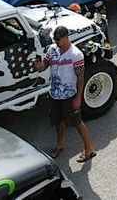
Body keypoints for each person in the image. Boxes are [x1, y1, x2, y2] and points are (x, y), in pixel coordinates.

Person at [35, 26, 97, 162]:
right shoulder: (52, 50)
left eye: (59, 39)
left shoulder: (76, 54)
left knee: (77, 123)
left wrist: (78, 98)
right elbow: (45, 65)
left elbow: (81, 77)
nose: (56, 42)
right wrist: (39, 66)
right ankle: (60, 144)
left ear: (66, 37)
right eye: (55, 39)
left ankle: (89, 149)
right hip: (54, 95)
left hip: (69, 96)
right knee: (58, 121)